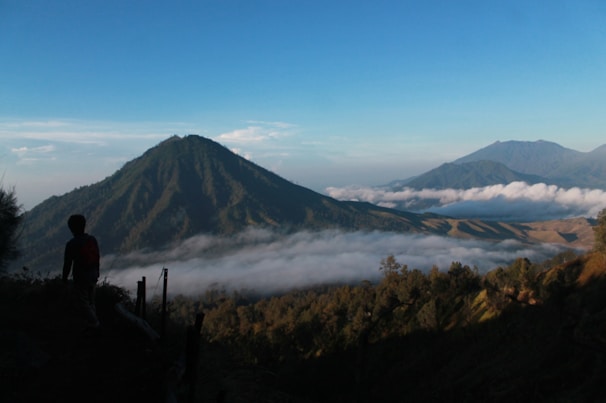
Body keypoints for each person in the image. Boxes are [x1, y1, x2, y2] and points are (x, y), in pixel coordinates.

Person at [62, 214, 101, 331]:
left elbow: (67, 264)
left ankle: (95, 323)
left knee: (83, 302)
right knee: (91, 300)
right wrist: (97, 272)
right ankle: (92, 323)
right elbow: (97, 257)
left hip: (81, 277)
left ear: (71, 228)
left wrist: (64, 279)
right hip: (93, 274)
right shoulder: (92, 239)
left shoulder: (72, 244)